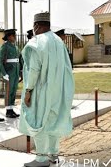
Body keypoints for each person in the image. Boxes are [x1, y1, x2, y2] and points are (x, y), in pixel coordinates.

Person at [19, 12, 75, 167]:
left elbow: (34, 70)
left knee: (39, 120)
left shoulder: (36, 42)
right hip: (58, 90)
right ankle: (53, 155)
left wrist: (29, 90)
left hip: (40, 90)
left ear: (36, 26)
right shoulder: (58, 41)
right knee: (53, 120)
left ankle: (41, 159)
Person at [0, 29, 22, 118]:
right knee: (9, 92)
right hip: (9, 72)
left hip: (15, 72)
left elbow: (19, 60)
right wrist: (4, 73)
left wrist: (20, 71)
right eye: (13, 35)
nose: (15, 37)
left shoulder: (15, 47)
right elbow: (1, 61)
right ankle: (8, 111)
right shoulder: (5, 46)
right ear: (9, 37)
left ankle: (11, 109)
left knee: (13, 91)